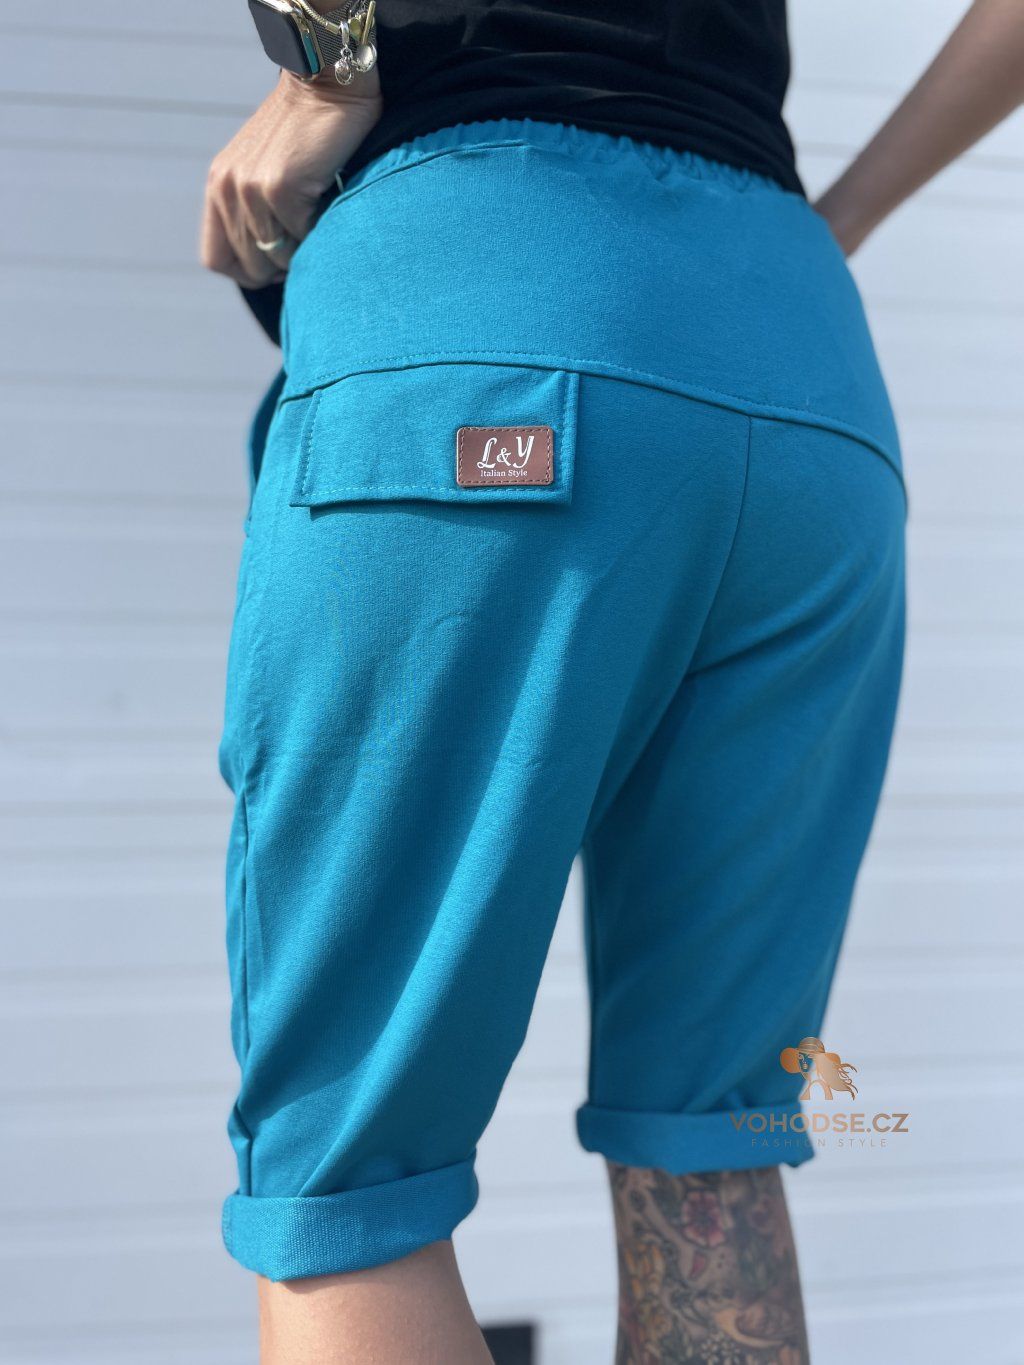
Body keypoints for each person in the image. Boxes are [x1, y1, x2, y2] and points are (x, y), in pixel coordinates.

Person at [200, 3, 1024, 1360]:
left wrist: (324, 63)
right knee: (709, 1147)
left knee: (344, 1189)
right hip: (801, 363)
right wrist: (838, 223)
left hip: (485, 303)